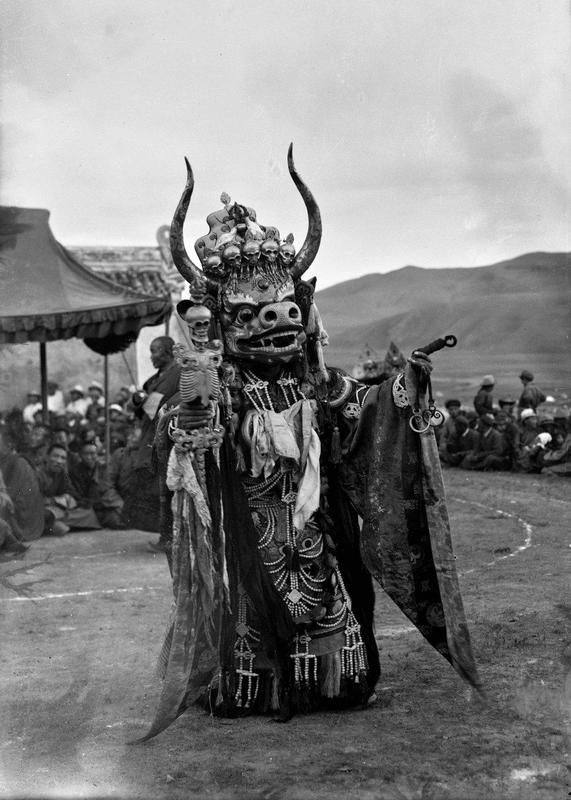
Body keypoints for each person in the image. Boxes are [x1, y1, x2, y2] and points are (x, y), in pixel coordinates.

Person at [137, 153, 481, 740]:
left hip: (314, 535)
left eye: (287, 310)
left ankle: (327, 677)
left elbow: (365, 409)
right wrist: (187, 427)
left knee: (340, 666)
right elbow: (177, 432)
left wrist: (406, 386)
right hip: (248, 533)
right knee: (242, 653)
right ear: (222, 323)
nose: (278, 322)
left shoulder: (316, 384)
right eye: (249, 316)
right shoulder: (222, 387)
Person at [127, 337, 180, 549]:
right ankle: (165, 535)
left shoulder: (179, 373)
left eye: (155, 351)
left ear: (168, 352)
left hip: (170, 439)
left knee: (170, 488)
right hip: (151, 439)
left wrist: (149, 402)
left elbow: (176, 401)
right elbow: (144, 409)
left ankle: (172, 537)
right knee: (159, 490)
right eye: (150, 351)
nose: (151, 356)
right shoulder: (153, 379)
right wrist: (138, 400)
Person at [38, 443, 100, 534]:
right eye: (56, 456)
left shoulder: (62, 473)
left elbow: (70, 490)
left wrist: (77, 500)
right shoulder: (36, 474)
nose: (59, 461)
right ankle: (50, 525)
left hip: (58, 510)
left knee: (89, 513)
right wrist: (54, 500)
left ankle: (51, 525)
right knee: (46, 515)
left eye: (63, 458)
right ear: (47, 457)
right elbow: (27, 498)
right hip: (42, 509)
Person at [0, 426, 44, 554]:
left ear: (8, 443)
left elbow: (12, 495)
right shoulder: (3, 461)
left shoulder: (18, 462)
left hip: (19, 515)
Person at [68, 441, 124, 529]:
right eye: (86, 454)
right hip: (88, 508)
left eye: (92, 453)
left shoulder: (104, 469)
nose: (89, 457)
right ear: (80, 455)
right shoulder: (74, 471)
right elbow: (77, 495)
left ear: (97, 455)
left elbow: (112, 488)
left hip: (107, 506)